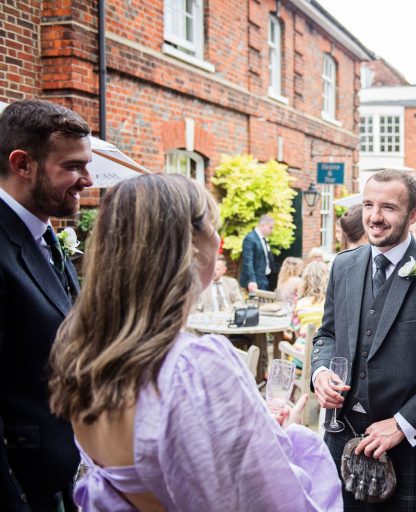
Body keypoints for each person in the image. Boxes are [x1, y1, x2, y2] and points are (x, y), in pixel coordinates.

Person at [48, 174, 342, 511]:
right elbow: (277, 503)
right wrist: (284, 442)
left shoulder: (84, 354)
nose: (219, 241)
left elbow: (167, 460)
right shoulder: (195, 365)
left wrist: (249, 430)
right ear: (188, 247)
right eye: (213, 228)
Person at [312, 169, 416, 511]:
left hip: (408, 448)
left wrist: (403, 424)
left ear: (415, 214)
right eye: (368, 204)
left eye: (388, 207)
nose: (374, 217)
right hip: (339, 436)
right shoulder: (343, 267)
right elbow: (327, 334)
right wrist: (320, 372)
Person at [0, 99, 93, 511]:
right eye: (73, 166)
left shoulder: (47, 236)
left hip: (65, 475)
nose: (87, 180)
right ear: (23, 164)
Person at [281, 261, 331, 368]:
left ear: (305, 281)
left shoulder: (299, 304)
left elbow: (297, 334)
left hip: (300, 360)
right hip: (325, 360)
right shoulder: (331, 304)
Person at [239, 214, 275, 292]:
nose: (272, 230)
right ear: (263, 225)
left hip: (265, 278)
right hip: (256, 280)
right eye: (270, 227)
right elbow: (248, 261)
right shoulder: (250, 238)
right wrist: (252, 280)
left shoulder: (263, 238)